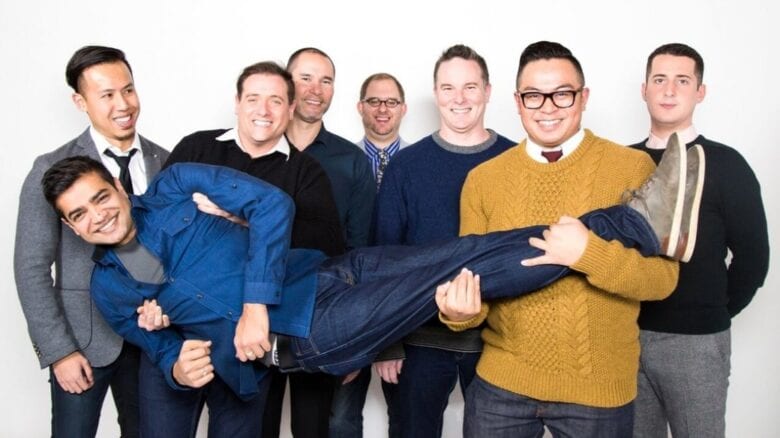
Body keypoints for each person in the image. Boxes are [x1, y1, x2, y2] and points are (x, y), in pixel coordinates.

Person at [41, 133, 697, 434]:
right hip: (305, 334)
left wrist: (252, 304)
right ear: (70, 227)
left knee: (461, 249)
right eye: (78, 215)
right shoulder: (111, 290)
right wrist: (179, 365)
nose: (96, 216)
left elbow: (271, 204)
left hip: (326, 273)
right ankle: (636, 222)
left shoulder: (179, 183)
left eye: (99, 198)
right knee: (455, 273)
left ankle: (637, 222)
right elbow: (159, 351)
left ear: (116, 186)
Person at [449, 41, 683, 437]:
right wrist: (460, 315)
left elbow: (663, 280)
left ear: (583, 97)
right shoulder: (483, 180)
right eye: (533, 95)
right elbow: (476, 281)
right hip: (501, 386)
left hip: (598, 393)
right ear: (518, 102)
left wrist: (588, 253)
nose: (547, 107)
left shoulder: (632, 168)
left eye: (562, 93)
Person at [143, 60, 346, 436]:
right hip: (176, 331)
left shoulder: (306, 172)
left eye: (275, 101)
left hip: (248, 340)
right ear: (237, 103)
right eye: (253, 98)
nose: (263, 110)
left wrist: (245, 222)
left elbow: (323, 245)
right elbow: (149, 224)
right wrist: (147, 300)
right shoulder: (196, 148)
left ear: (290, 108)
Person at [14, 45, 169, 437]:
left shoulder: (167, 161)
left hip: (154, 339)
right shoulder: (50, 168)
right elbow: (30, 268)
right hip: (84, 341)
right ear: (80, 102)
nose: (123, 104)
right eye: (107, 95)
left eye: (128, 90)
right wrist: (59, 351)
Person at [373, 44, 515, 438]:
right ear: (436, 94)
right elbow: (383, 256)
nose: (459, 98)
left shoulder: (516, 161)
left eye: (470, 87)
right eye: (449, 88)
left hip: (497, 343)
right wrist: (387, 344)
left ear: (488, 91)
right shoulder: (406, 166)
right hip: (419, 340)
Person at [630, 43, 769, 438]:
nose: (669, 90)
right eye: (660, 79)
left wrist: (711, 314)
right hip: (625, 337)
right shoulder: (622, 162)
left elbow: (753, 259)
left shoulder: (727, 164)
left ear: (700, 92)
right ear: (644, 89)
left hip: (696, 343)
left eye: (682, 80)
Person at [274, 47, 374, 438]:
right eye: (306, 78)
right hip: (253, 315)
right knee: (252, 425)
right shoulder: (256, 147)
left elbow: (359, 253)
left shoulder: (351, 161)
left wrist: (354, 339)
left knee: (313, 428)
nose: (316, 90)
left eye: (326, 80)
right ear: (286, 83)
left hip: (318, 317)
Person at [330, 71, 410, 438]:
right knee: (339, 417)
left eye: (391, 102)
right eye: (374, 101)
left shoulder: (420, 164)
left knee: (407, 415)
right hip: (348, 307)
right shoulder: (338, 163)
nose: (382, 109)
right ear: (360, 107)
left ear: (403, 109)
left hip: (404, 307)